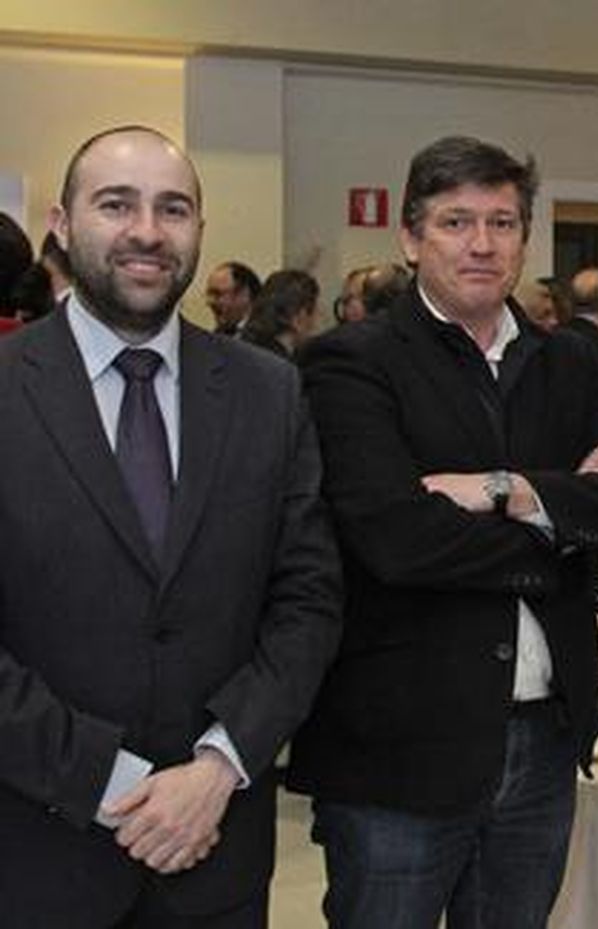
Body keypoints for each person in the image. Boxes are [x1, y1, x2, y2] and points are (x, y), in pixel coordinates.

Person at [287, 135, 598, 929]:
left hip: (545, 740)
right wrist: (564, 521)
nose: (482, 243)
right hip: (398, 750)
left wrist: (507, 490)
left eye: (502, 222)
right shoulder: (350, 363)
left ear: (525, 238)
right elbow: (398, 540)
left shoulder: (568, 361)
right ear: (410, 236)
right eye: (456, 222)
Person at [0, 125, 342, 926]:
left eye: (173, 209)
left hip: (215, 851)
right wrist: (111, 782)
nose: (148, 231)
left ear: (199, 227)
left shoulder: (269, 392)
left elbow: (309, 598)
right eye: (116, 204)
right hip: (37, 857)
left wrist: (220, 764)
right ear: (62, 223)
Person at [241, 268, 319, 359]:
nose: (315, 324)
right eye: (314, 314)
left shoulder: (240, 348)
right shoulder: (283, 365)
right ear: (298, 319)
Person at [202, 260, 259, 337]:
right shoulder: (217, 336)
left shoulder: (266, 337)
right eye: (209, 294)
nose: (210, 301)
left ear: (243, 294)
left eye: (217, 294)